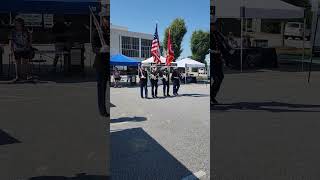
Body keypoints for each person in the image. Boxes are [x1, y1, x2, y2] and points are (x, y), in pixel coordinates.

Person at [92, 15, 110, 117]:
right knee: (102, 87)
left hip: (109, 62)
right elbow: (93, 48)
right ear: (102, 21)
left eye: (108, 20)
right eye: (106, 20)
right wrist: (100, 50)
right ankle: (102, 110)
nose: (107, 22)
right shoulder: (97, 32)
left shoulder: (110, 32)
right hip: (101, 63)